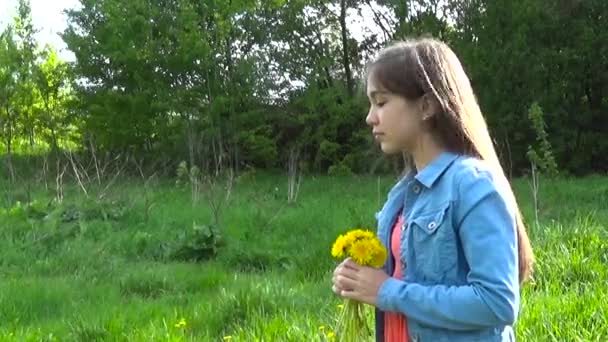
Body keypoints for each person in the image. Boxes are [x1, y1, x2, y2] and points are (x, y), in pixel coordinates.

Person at [331, 37, 534, 342]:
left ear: (427, 105)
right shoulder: (402, 194)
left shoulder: (473, 184)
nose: (370, 117)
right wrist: (359, 280)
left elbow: (497, 303)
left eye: (382, 102)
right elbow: (402, 278)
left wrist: (387, 291)